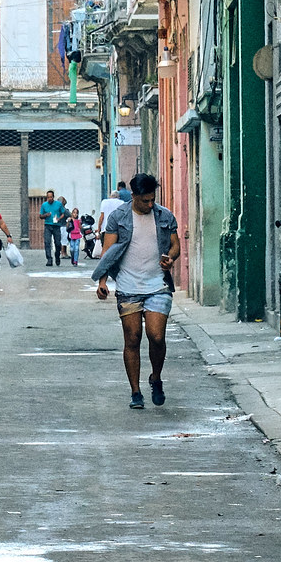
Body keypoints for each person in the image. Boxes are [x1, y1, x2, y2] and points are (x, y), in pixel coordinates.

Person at [92, 174, 180, 409]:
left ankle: (156, 377)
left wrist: (170, 258)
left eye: (152, 200)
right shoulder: (118, 217)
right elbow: (108, 252)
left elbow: (175, 245)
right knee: (132, 339)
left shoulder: (164, 215)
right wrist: (102, 281)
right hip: (128, 287)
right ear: (133, 197)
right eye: (144, 201)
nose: (150, 205)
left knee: (157, 336)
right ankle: (136, 392)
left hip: (158, 285)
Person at [39, 189, 64, 266]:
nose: (50, 199)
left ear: (53, 197)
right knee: (47, 242)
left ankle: (57, 256)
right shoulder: (44, 205)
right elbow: (40, 216)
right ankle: (49, 259)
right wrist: (45, 215)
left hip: (56, 226)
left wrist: (59, 218)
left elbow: (63, 213)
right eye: (48, 197)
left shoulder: (58, 204)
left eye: (51, 197)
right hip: (48, 225)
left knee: (57, 243)